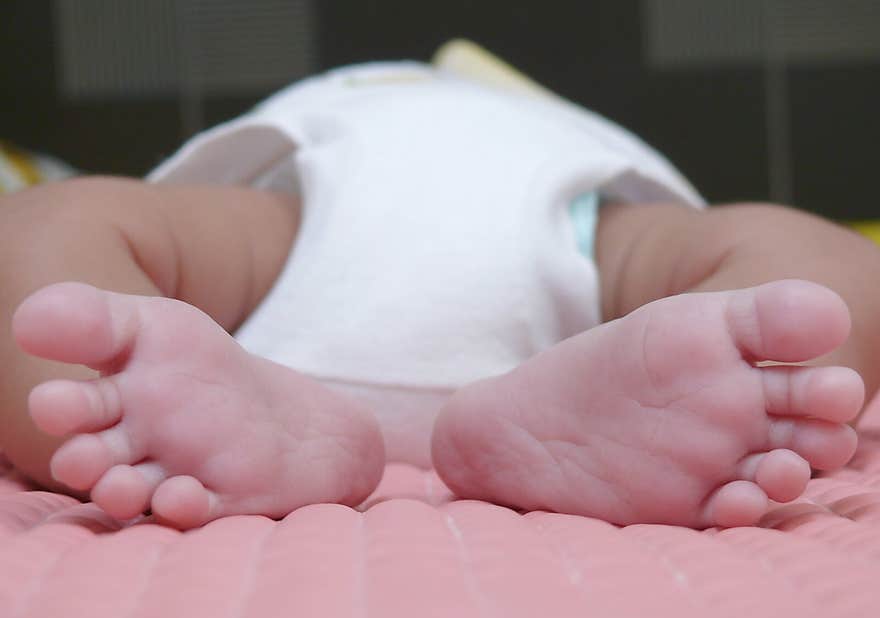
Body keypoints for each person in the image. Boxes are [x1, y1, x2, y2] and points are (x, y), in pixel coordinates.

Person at [1, 42, 878, 530]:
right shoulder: (539, 141)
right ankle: (719, 380)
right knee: (820, 270)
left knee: (46, 239)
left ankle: (166, 406)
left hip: (283, 248)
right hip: (589, 266)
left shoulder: (333, 127)